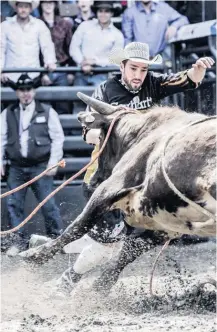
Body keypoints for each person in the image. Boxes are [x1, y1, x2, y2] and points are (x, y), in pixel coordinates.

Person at [53, 42, 214, 294]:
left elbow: (188, 80)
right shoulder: (105, 91)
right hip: (109, 176)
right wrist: (117, 125)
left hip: (142, 177)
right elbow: (89, 135)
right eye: (134, 69)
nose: (138, 75)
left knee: (142, 236)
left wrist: (198, 68)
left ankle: (86, 271)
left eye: (143, 69)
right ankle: (69, 276)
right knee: (106, 245)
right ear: (122, 67)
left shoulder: (153, 83)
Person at [1, 73, 65, 251]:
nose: (25, 94)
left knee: (47, 203)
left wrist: (53, 162)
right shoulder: (7, 113)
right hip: (16, 167)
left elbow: (58, 138)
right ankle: (17, 242)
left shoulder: (47, 111)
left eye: (28, 89)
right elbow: (1, 139)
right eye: (21, 90)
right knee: (13, 204)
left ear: (34, 91)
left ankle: (57, 239)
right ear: (17, 93)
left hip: (40, 166)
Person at [70, 1, 124, 96]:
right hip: (81, 72)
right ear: (96, 12)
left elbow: (116, 59)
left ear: (111, 13)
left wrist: (95, 61)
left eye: (106, 11)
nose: (103, 14)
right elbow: (74, 47)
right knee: (78, 105)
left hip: (102, 75)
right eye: (100, 11)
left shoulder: (117, 35)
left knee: (99, 105)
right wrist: (82, 62)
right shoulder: (84, 26)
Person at [1, 0, 56, 83]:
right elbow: (1, 49)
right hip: (10, 76)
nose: (23, 10)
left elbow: (47, 46)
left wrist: (50, 61)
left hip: (33, 76)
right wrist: (1, 70)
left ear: (30, 9)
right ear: (15, 8)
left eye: (26, 7)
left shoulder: (39, 25)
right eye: (21, 6)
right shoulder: (5, 26)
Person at [122, 0, 189, 58]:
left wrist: (174, 27)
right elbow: (128, 40)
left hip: (161, 58)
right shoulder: (129, 12)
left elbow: (183, 19)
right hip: (139, 61)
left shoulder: (163, 8)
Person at [38, 0, 74, 87]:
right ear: (41, 4)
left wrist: (71, 72)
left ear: (55, 4)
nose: (48, 5)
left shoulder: (64, 24)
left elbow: (70, 48)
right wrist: (41, 74)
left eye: (51, 2)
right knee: (44, 100)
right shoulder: (36, 24)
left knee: (63, 99)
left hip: (61, 69)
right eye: (45, 2)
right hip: (42, 70)